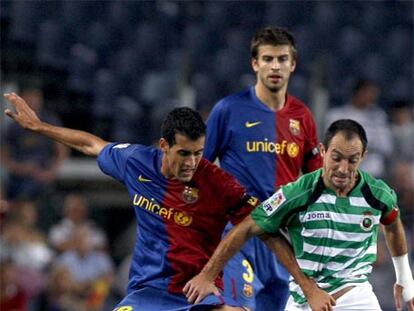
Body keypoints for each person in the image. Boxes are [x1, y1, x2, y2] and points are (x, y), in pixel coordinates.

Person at [3, 92, 307, 311]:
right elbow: (91, 144)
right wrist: (40, 128)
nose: (192, 163)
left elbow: (264, 227)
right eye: (184, 154)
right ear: (164, 146)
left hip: (203, 286)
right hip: (149, 290)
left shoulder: (218, 183)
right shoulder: (135, 162)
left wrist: (307, 286)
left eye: (199, 153)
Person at [184, 119, 414, 311]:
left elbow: (393, 225)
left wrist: (404, 276)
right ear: (323, 151)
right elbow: (247, 227)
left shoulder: (378, 194)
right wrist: (207, 275)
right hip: (304, 301)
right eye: (336, 158)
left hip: (357, 298)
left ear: (362, 157)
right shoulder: (298, 193)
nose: (343, 168)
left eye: (352, 160)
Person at [204, 26, 322, 310]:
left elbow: (317, 180)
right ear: (255, 63)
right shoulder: (228, 110)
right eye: (268, 59)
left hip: (283, 240)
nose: (275, 66)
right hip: (238, 236)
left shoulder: (302, 117)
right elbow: (200, 169)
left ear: (292, 65)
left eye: (282, 59)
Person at [1, 87, 68, 205]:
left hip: (42, 175)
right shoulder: (13, 125)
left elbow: (62, 150)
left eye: (36, 97)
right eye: (28, 97)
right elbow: (4, 156)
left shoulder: (50, 121)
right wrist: (20, 169)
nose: (32, 101)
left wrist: (51, 173)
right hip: (18, 177)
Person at [325, 78, 393, 179]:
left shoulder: (379, 116)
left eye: (374, 94)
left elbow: (387, 147)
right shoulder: (336, 115)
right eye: (368, 93)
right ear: (358, 93)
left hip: (373, 172)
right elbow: (330, 144)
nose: (372, 98)